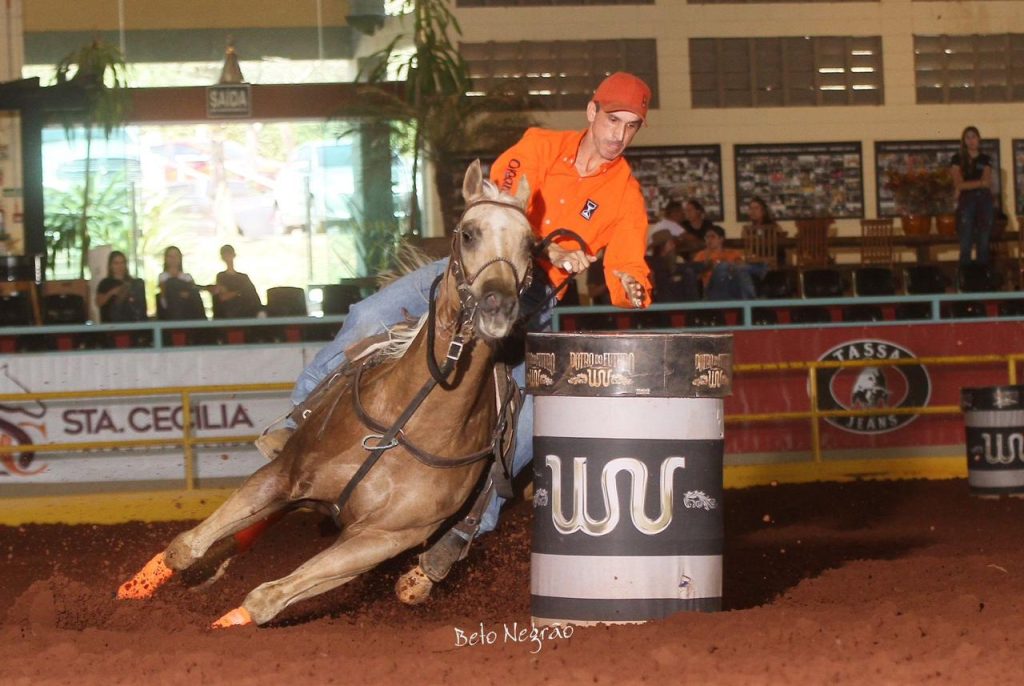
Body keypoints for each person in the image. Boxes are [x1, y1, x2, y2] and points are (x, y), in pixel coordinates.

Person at [257, 71, 654, 574]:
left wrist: (632, 287)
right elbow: (499, 199)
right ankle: (300, 419)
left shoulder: (626, 196)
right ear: (592, 112)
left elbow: (627, 269)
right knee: (370, 314)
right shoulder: (537, 147)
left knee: (530, 421)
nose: (619, 135)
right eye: (613, 119)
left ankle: (468, 525)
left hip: (530, 303)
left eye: (632, 126)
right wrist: (549, 248)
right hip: (468, 276)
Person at [950, 125, 994, 265]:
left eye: (973, 137)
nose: (971, 141)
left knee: (983, 241)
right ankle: (966, 279)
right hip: (966, 201)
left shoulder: (985, 159)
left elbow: (987, 182)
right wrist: (979, 183)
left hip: (984, 200)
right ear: (964, 141)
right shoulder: (957, 159)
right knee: (966, 241)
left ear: (979, 139)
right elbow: (958, 184)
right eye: (967, 138)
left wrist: (969, 184)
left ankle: (983, 279)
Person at [690, 225, 757, 300]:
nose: (709, 240)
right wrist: (708, 267)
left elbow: (741, 266)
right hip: (712, 288)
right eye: (707, 237)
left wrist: (733, 267)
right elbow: (695, 276)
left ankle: (751, 300)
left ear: (721, 239)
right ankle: (758, 269)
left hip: (731, 285)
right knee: (723, 266)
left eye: (712, 237)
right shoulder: (701, 255)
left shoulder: (732, 253)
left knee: (741, 271)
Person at [211, 244, 262, 319]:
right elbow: (223, 297)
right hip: (230, 313)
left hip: (246, 312)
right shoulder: (221, 276)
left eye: (229, 254)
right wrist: (238, 293)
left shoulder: (243, 277)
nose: (228, 257)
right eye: (225, 255)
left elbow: (252, 296)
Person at [95, 250, 147, 323]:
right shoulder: (105, 283)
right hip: (111, 324)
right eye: (116, 263)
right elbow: (98, 302)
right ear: (110, 266)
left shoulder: (134, 283)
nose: (120, 266)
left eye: (122, 263)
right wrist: (112, 292)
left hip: (132, 322)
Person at [157, 246, 206, 321]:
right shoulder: (163, 276)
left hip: (188, 311)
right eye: (170, 256)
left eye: (176, 256)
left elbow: (193, 290)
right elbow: (164, 294)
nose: (173, 259)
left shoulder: (187, 277)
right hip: (171, 311)